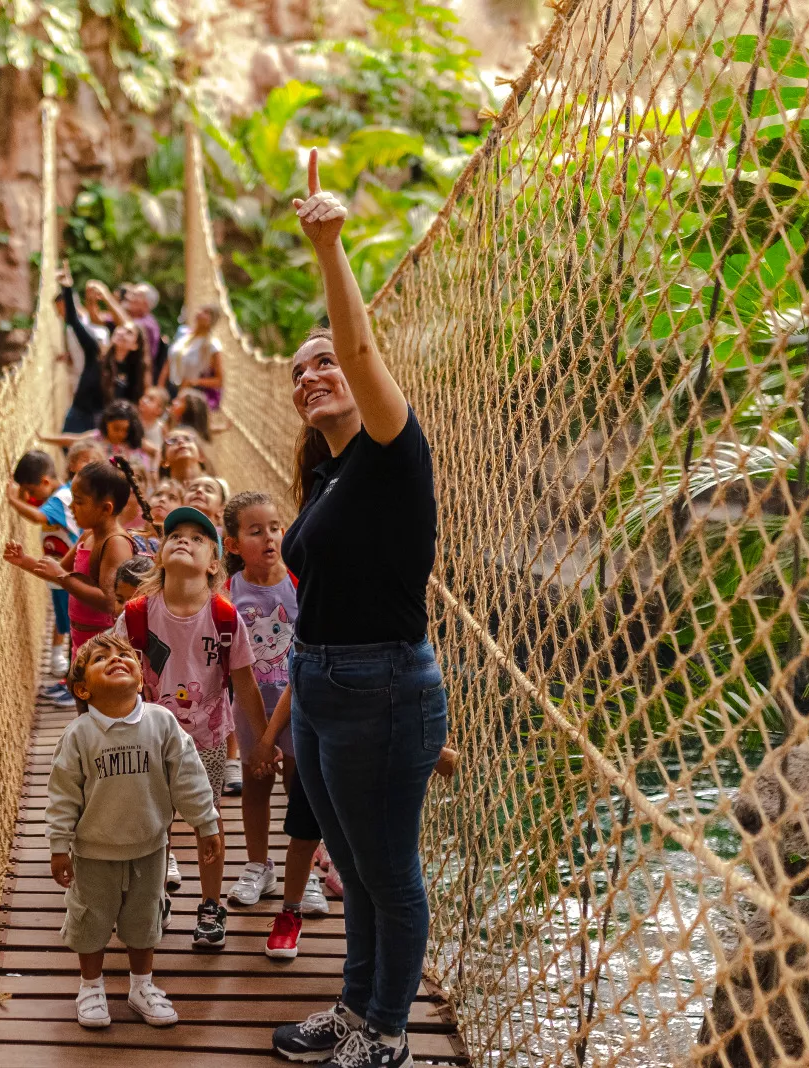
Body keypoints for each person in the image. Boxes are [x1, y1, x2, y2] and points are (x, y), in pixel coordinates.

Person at [269, 151, 447, 1068]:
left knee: (388, 870)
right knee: (356, 868)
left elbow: (364, 349)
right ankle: (354, 1006)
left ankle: (387, 1031)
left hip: (382, 683)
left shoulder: (390, 446)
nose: (313, 375)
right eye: (300, 373)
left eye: (325, 363)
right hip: (326, 685)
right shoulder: (329, 475)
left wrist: (328, 250)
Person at [47, 633, 225, 1029]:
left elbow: (188, 776)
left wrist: (205, 821)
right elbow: (62, 795)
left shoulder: (161, 722)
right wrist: (60, 845)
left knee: (144, 922)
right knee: (90, 920)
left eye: (125, 655)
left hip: (150, 846)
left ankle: (141, 986)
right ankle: (90, 986)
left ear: (141, 679)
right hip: (93, 852)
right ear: (82, 688)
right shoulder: (79, 735)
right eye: (100, 658)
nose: (116, 659)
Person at [113, 506, 264, 952]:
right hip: (149, 739)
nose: (184, 540)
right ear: (160, 554)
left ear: (214, 563)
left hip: (208, 742)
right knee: (151, 821)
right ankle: (152, 894)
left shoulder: (223, 617)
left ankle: (211, 904)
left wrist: (263, 741)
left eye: (198, 538)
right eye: (175, 534)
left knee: (208, 821)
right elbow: (116, 669)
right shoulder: (138, 614)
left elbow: (245, 684)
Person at [219, 493, 331, 958]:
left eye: (275, 527)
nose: (269, 538)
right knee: (255, 784)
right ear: (233, 543)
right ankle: (258, 865)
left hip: (299, 707)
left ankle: (299, 879)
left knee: (299, 788)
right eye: (255, 531)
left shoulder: (302, 585)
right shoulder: (230, 593)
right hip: (250, 708)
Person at [3, 459, 145, 660]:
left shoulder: (115, 544)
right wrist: (23, 560)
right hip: (81, 636)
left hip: (104, 644)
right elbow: (58, 570)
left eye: (79, 501)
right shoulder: (88, 534)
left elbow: (109, 601)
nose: (71, 507)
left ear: (106, 508)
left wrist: (62, 577)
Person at [8, 450, 79, 699]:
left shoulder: (59, 500)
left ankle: (74, 681)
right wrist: (22, 491)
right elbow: (34, 503)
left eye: (31, 489)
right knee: (67, 623)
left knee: (74, 627)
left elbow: (36, 515)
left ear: (45, 482)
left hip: (65, 576)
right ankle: (69, 676)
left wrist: (12, 499)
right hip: (61, 575)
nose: (29, 496)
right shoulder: (59, 493)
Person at [59, 267, 110, 434]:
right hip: (79, 410)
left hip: (100, 416)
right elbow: (73, 321)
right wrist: (67, 288)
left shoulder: (124, 366)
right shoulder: (94, 351)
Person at [169, 305, 225, 408]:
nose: (200, 313)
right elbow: (169, 362)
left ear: (212, 320)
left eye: (207, 313)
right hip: (171, 388)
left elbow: (219, 381)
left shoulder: (212, 345)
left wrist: (193, 382)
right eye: (201, 310)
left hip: (190, 394)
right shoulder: (184, 337)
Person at [139, 386, 170, 452]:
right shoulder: (133, 421)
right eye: (144, 396)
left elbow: (166, 449)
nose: (144, 400)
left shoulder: (161, 427)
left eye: (151, 399)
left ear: (159, 410)